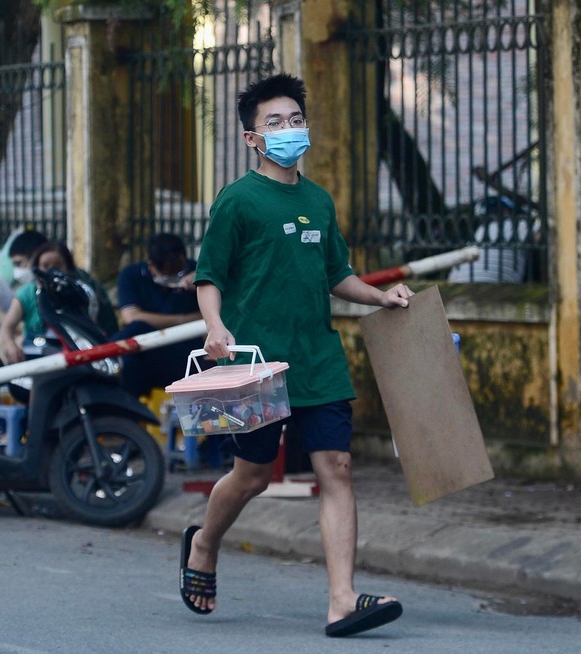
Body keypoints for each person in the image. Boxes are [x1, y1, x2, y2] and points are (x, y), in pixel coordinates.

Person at [181, 74, 413, 638]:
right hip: (255, 363)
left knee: (337, 466)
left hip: (317, 358)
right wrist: (215, 326)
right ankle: (204, 543)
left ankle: (341, 600)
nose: (288, 129)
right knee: (253, 474)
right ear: (251, 138)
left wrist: (382, 296)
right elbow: (208, 276)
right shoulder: (238, 201)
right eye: (273, 123)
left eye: (294, 120)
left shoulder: (318, 200)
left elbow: (339, 275)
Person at [111, 232, 204, 398]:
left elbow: (214, 315)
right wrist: (184, 320)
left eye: (179, 270)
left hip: (186, 352)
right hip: (147, 349)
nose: (175, 277)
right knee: (134, 339)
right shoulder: (131, 275)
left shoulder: (198, 272)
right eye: (169, 272)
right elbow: (131, 316)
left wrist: (201, 284)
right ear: (151, 266)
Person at [0, 241, 88, 363]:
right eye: (45, 266)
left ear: (68, 268)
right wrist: (12, 347)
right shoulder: (27, 293)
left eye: (57, 266)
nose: (51, 271)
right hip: (35, 354)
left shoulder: (76, 292)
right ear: (36, 268)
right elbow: (6, 328)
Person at [448, 196, 536, 283]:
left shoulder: (480, 233)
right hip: (500, 288)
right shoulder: (517, 224)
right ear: (506, 211)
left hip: (456, 285)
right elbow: (538, 239)